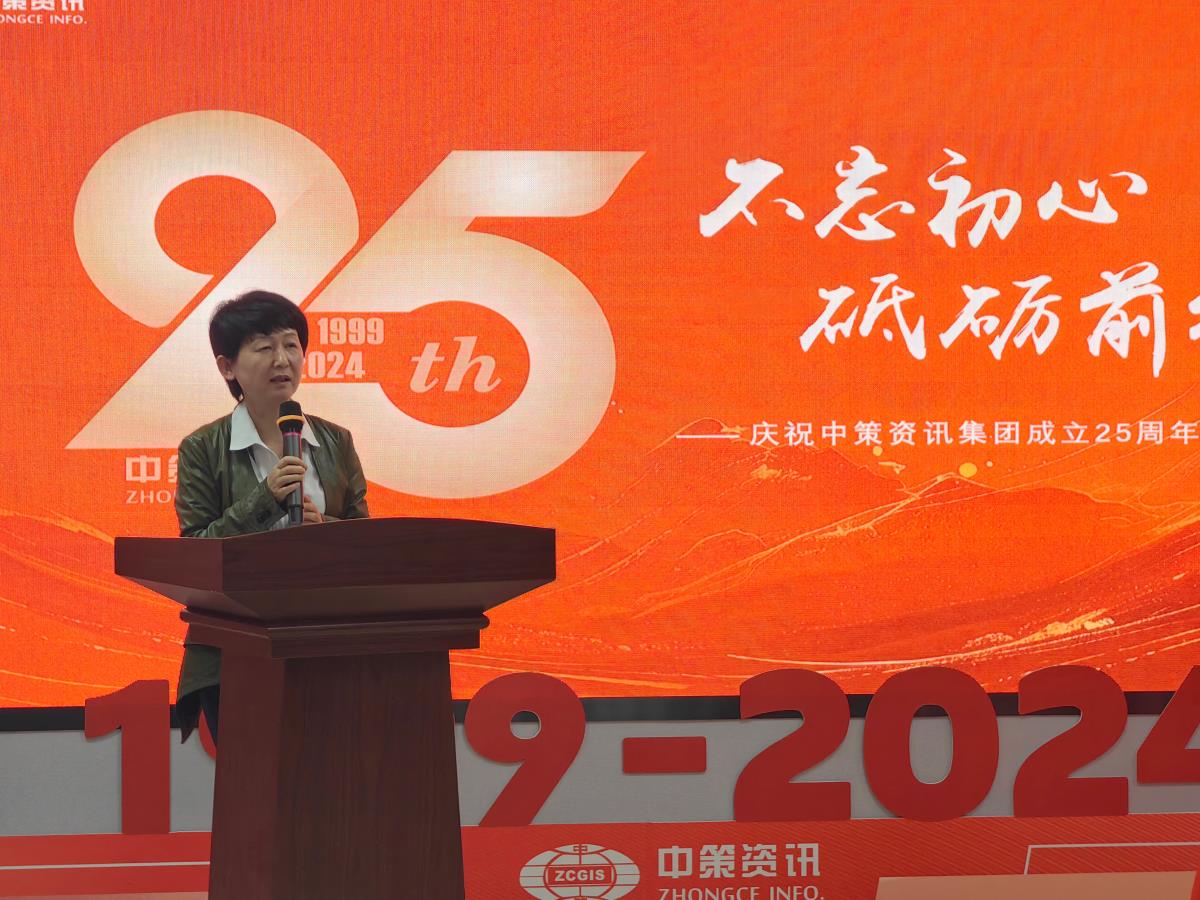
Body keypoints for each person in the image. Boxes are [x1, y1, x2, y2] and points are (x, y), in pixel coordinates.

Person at [173, 290, 369, 745]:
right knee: (253, 776)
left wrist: (325, 530)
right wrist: (264, 500)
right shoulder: (202, 448)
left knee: (336, 776)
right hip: (238, 647)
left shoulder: (336, 441)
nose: (282, 359)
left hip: (328, 642)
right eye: (264, 347)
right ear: (228, 367)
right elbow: (195, 551)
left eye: (291, 345)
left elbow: (367, 542)